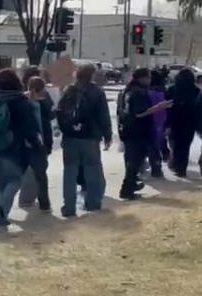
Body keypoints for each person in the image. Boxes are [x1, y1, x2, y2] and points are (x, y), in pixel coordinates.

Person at [0, 68, 41, 227]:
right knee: (14, 180)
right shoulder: (21, 102)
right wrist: (37, 146)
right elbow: (30, 129)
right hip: (12, 150)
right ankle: (1, 208)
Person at [57, 64, 112, 217]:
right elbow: (103, 116)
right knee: (92, 170)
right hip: (90, 137)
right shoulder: (97, 92)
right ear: (92, 75)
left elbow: (60, 113)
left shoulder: (69, 91)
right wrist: (107, 135)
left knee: (69, 172)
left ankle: (68, 207)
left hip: (70, 137)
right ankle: (93, 203)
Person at [118, 69, 173, 200]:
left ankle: (130, 185)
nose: (150, 81)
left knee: (133, 161)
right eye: (148, 78)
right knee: (135, 161)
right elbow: (140, 112)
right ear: (142, 78)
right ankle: (127, 189)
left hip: (128, 128)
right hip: (138, 130)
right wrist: (159, 107)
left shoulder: (128, 90)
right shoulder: (139, 92)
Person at [17, 76, 54, 212]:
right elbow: (46, 126)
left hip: (26, 146)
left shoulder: (25, 101)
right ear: (42, 89)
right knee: (41, 177)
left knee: (19, 175)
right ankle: (44, 204)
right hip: (35, 146)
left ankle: (5, 204)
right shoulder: (37, 104)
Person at [166, 68, 201, 177]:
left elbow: (167, 107)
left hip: (174, 121)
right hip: (189, 122)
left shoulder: (171, 90)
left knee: (175, 144)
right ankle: (182, 168)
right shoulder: (196, 91)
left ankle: (176, 164)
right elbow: (198, 107)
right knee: (185, 146)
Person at [147, 70, 170, 178]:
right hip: (161, 122)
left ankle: (155, 167)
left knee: (151, 146)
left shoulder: (146, 92)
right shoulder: (164, 92)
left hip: (148, 121)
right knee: (158, 142)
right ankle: (162, 157)